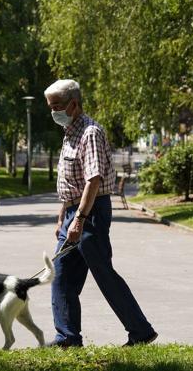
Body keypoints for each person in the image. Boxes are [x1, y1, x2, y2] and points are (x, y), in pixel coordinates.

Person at [44, 79, 157, 347]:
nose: (53, 112)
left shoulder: (89, 132)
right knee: (61, 276)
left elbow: (93, 180)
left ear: (74, 104)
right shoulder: (69, 132)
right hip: (75, 211)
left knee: (103, 274)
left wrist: (80, 219)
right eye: (50, 107)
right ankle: (67, 338)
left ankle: (140, 331)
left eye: (57, 106)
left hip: (91, 213)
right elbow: (73, 182)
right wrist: (64, 214)